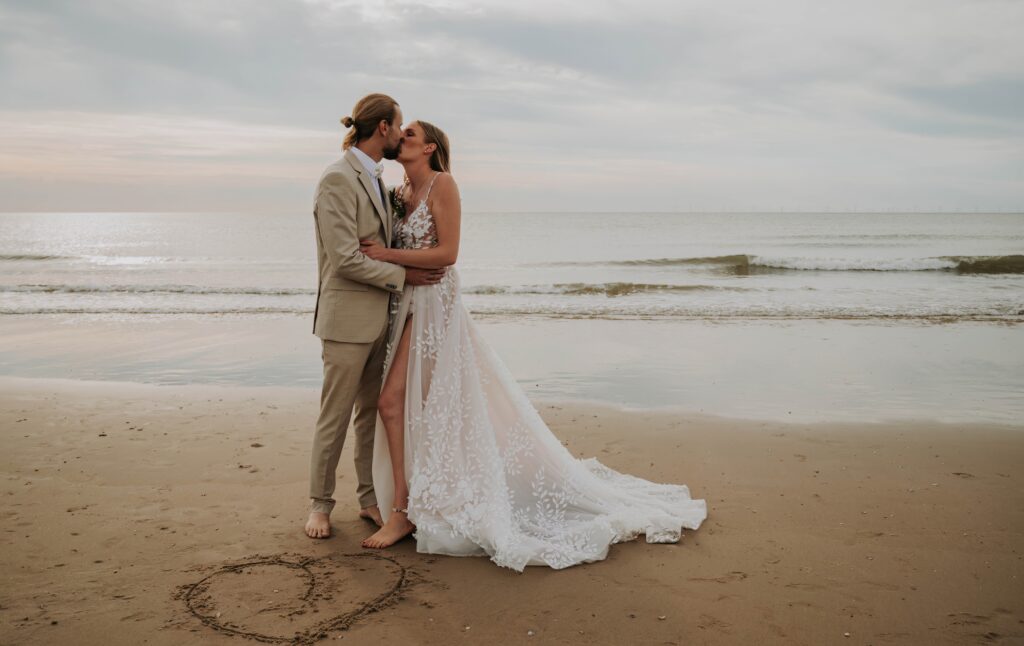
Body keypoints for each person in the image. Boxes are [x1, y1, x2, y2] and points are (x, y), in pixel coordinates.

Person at [358, 120, 708, 570]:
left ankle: (404, 512)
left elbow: (448, 254)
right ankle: (420, 498)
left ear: (429, 147)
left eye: (409, 133)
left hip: (435, 306)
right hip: (406, 303)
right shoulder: (400, 192)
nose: (400, 137)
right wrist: (391, 265)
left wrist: (388, 256)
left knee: (395, 402)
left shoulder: (444, 185)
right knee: (415, 406)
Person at [305, 94, 445, 539]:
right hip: (347, 322)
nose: (402, 134)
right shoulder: (337, 179)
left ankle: (368, 500)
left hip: (382, 319)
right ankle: (320, 505)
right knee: (336, 414)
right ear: (382, 127)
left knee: (369, 413)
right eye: (399, 126)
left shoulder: (380, 182)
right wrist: (404, 275)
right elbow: (345, 259)